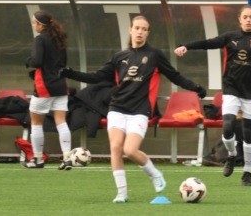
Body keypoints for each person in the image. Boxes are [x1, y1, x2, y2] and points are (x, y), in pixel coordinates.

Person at [62, 14, 206, 204]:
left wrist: (196, 88)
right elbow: (97, 77)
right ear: (130, 30)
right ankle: (122, 193)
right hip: (117, 108)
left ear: (148, 33)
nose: (140, 32)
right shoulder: (119, 56)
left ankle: (154, 174)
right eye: (137, 28)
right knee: (115, 148)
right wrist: (70, 73)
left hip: (139, 110)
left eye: (144, 29)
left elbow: (175, 76)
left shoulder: (154, 55)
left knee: (130, 150)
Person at [174, 4, 251, 187]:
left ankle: (247, 171)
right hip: (232, 89)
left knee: (248, 131)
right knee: (228, 125)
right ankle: (231, 155)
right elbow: (208, 43)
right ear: (239, 19)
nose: (248, 20)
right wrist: (186, 46)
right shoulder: (230, 37)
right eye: (245, 17)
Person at [24, 10, 72, 170]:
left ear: (40, 25)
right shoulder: (59, 38)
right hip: (60, 85)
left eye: (34, 23)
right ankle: (67, 157)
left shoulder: (40, 39)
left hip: (44, 86)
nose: (33, 25)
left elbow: (37, 61)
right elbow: (63, 62)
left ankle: (38, 159)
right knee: (61, 122)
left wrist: (28, 61)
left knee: (36, 123)